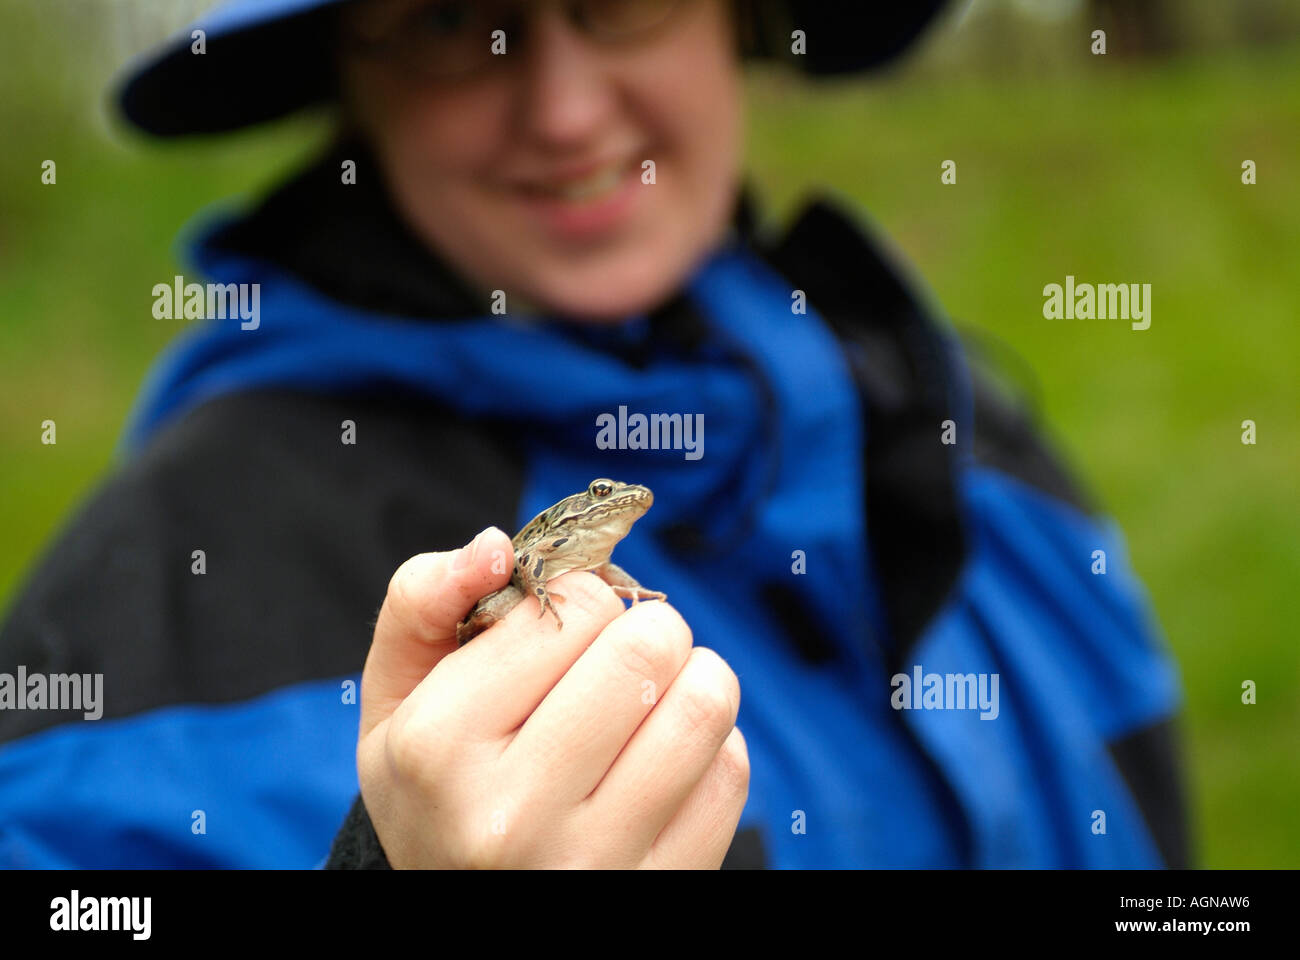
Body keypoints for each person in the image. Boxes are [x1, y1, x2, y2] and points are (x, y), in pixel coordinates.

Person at [0, 0, 1189, 869]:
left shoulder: (966, 447)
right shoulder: (157, 605)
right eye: (454, 18)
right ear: (343, 67)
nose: (564, 111)